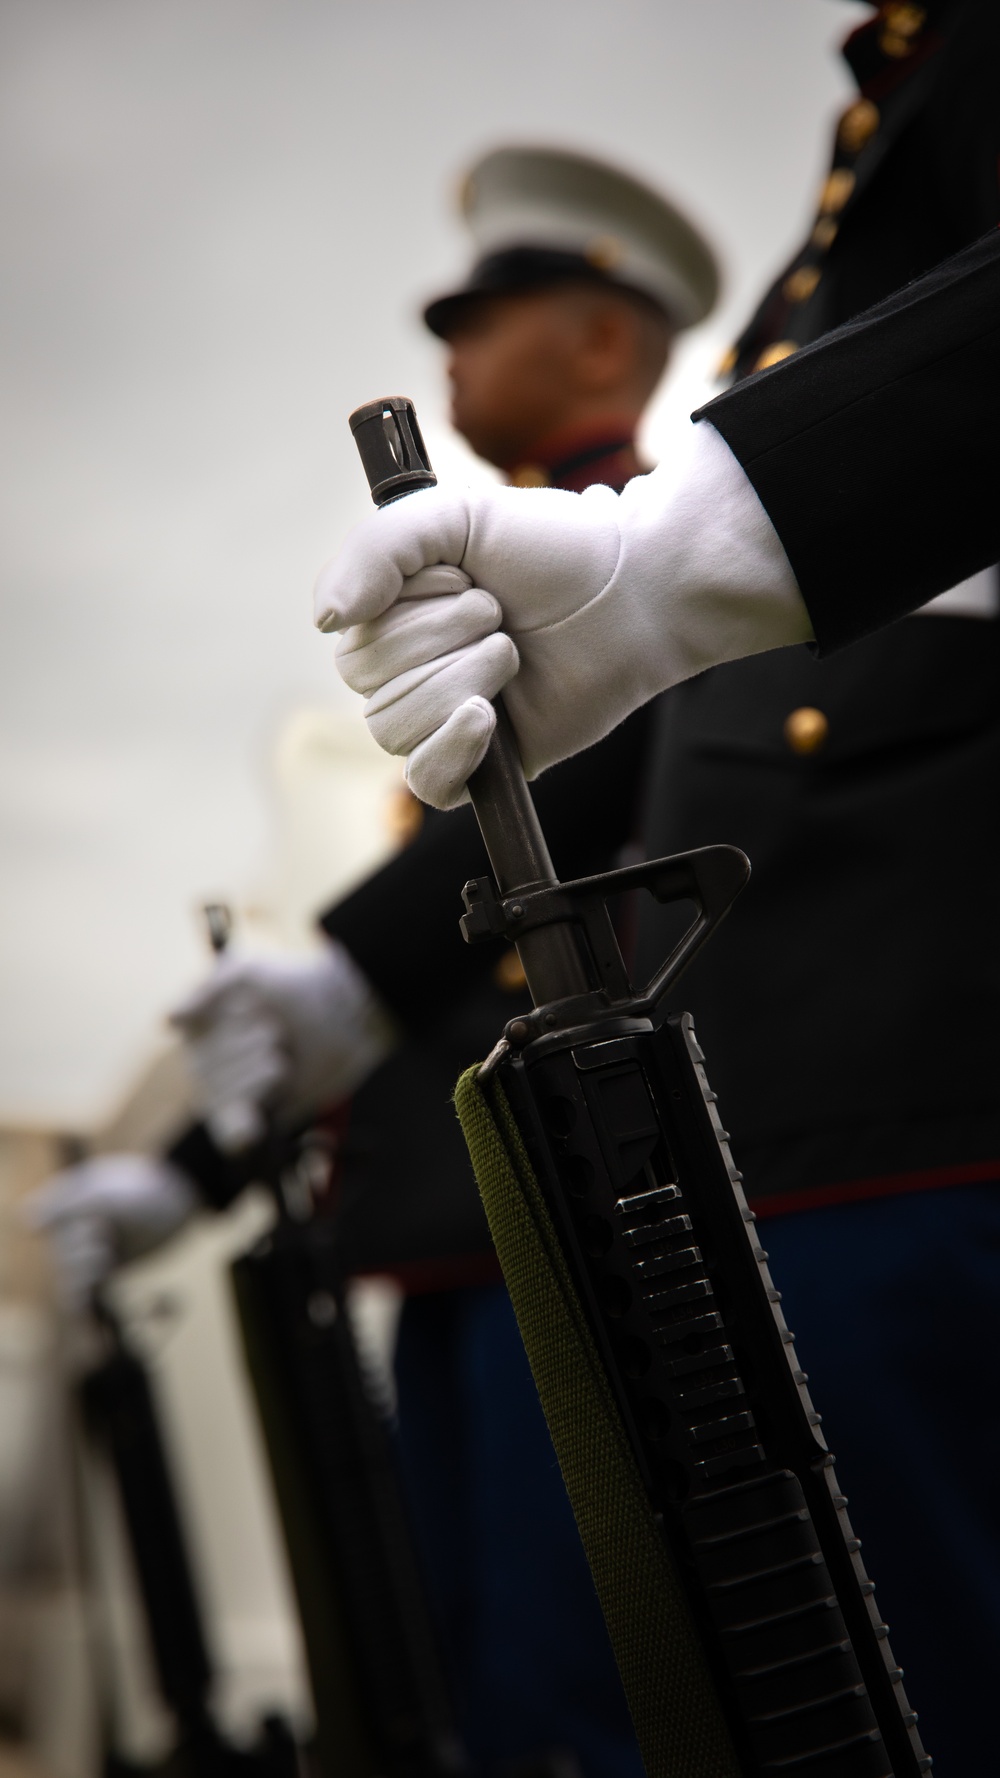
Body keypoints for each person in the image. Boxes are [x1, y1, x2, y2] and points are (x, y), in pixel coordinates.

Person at [316, 7, 1000, 1770]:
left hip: (919, 1071)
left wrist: (686, 553)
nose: (456, 352)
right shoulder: (882, 156)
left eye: (490, 318)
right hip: (776, 1100)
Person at [33, 148, 721, 1778]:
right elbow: (403, 977)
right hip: (464, 1246)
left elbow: (403, 961)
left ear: (608, 343)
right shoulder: (490, 599)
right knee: (461, 1705)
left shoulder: (640, 589)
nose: (450, 359)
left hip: (588, 1248)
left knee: (581, 1717)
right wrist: (195, 1168)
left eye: (487, 317)